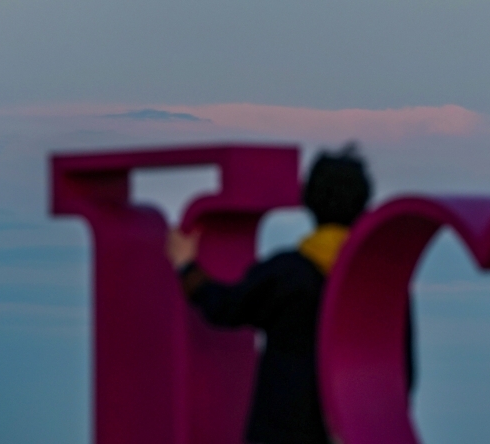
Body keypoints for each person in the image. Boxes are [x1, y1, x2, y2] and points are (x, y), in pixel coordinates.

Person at [167, 145, 412, 444]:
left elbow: (225, 307)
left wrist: (187, 267)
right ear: (364, 204)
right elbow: (405, 372)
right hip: (352, 430)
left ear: (308, 201)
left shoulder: (287, 273)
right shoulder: (380, 284)